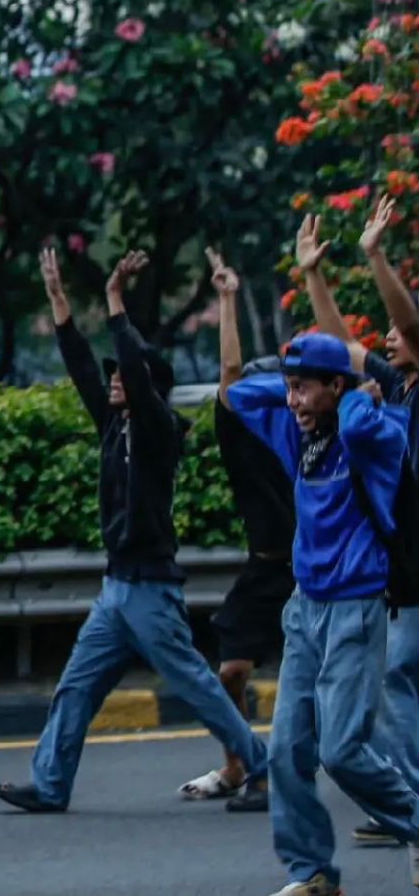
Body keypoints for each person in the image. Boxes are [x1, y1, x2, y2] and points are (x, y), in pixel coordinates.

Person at [0, 249, 269, 815]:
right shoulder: (114, 426)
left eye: (123, 375)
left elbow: (135, 376)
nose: (113, 381)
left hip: (150, 591)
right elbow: (81, 369)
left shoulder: (158, 432)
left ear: (146, 387)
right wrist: (59, 301)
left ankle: (262, 768)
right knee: (77, 687)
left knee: (198, 688)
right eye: (114, 375)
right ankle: (49, 785)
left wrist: (116, 300)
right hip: (116, 591)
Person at [215, 251, 419, 896]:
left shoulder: (379, 430)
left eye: (306, 388)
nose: (293, 400)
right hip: (305, 609)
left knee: (343, 751)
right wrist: (294, 376)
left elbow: (359, 419)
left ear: (337, 387)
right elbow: (233, 391)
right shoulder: (295, 431)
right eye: (291, 388)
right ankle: (312, 873)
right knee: (287, 752)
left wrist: (353, 388)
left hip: (357, 608)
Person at [295, 202, 419, 846]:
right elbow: (342, 354)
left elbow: (412, 324)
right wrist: (313, 274)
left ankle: (411, 806)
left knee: (396, 677)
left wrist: (374, 254)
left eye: (397, 333)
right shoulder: (394, 391)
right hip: (404, 559)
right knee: (396, 680)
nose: (389, 338)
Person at [176, 351, 295, 811]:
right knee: (230, 672)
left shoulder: (309, 434)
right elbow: (228, 378)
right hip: (266, 571)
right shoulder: (238, 436)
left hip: (315, 573)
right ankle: (238, 766)